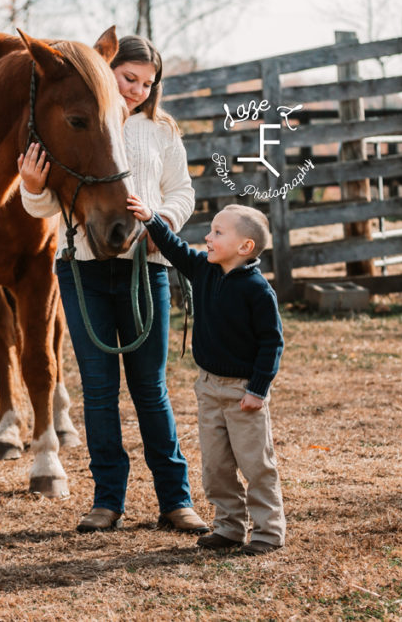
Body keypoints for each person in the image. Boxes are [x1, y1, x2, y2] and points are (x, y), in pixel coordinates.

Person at [17, 34, 208, 535]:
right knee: (99, 391)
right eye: (129, 78)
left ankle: (176, 499)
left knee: (150, 388)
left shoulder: (160, 130)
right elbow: (44, 210)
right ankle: (107, 500)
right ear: (107, 71)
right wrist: (32, 188)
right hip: (82, 270)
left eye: (148, 83)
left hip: (146, 270)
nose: (139, 90)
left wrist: (160, 226)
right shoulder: (86, 124)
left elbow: (181, 191)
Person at [125, 195, 286, 556]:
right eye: (211, 231)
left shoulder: (257, 290)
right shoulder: (204, 269)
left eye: (217, 232)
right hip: (209, 387)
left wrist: (257, 390)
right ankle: (229, 526)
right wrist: (152, 219)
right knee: (216, 467)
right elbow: (175, 248)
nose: (208, 238)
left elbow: (272, 343)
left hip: (244, 392)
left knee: (256, 465)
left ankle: (268, 532)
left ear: (245, 247)